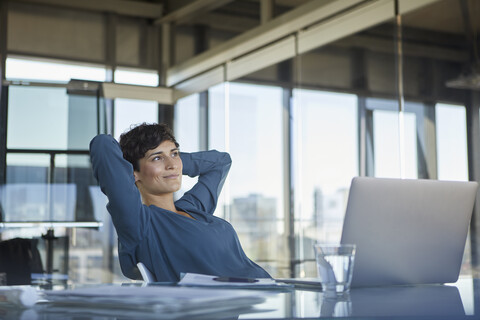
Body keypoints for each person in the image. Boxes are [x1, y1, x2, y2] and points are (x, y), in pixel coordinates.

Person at [89, 123, 270, 281]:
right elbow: (102, 144)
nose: (172, 164)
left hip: (268, 293)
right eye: (157, 158)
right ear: (133, 173)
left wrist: (172, 164)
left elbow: (220, 162)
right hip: (232, 305)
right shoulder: (140, 222)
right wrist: (141, 165)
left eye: (174, 153)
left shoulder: (193, 208)